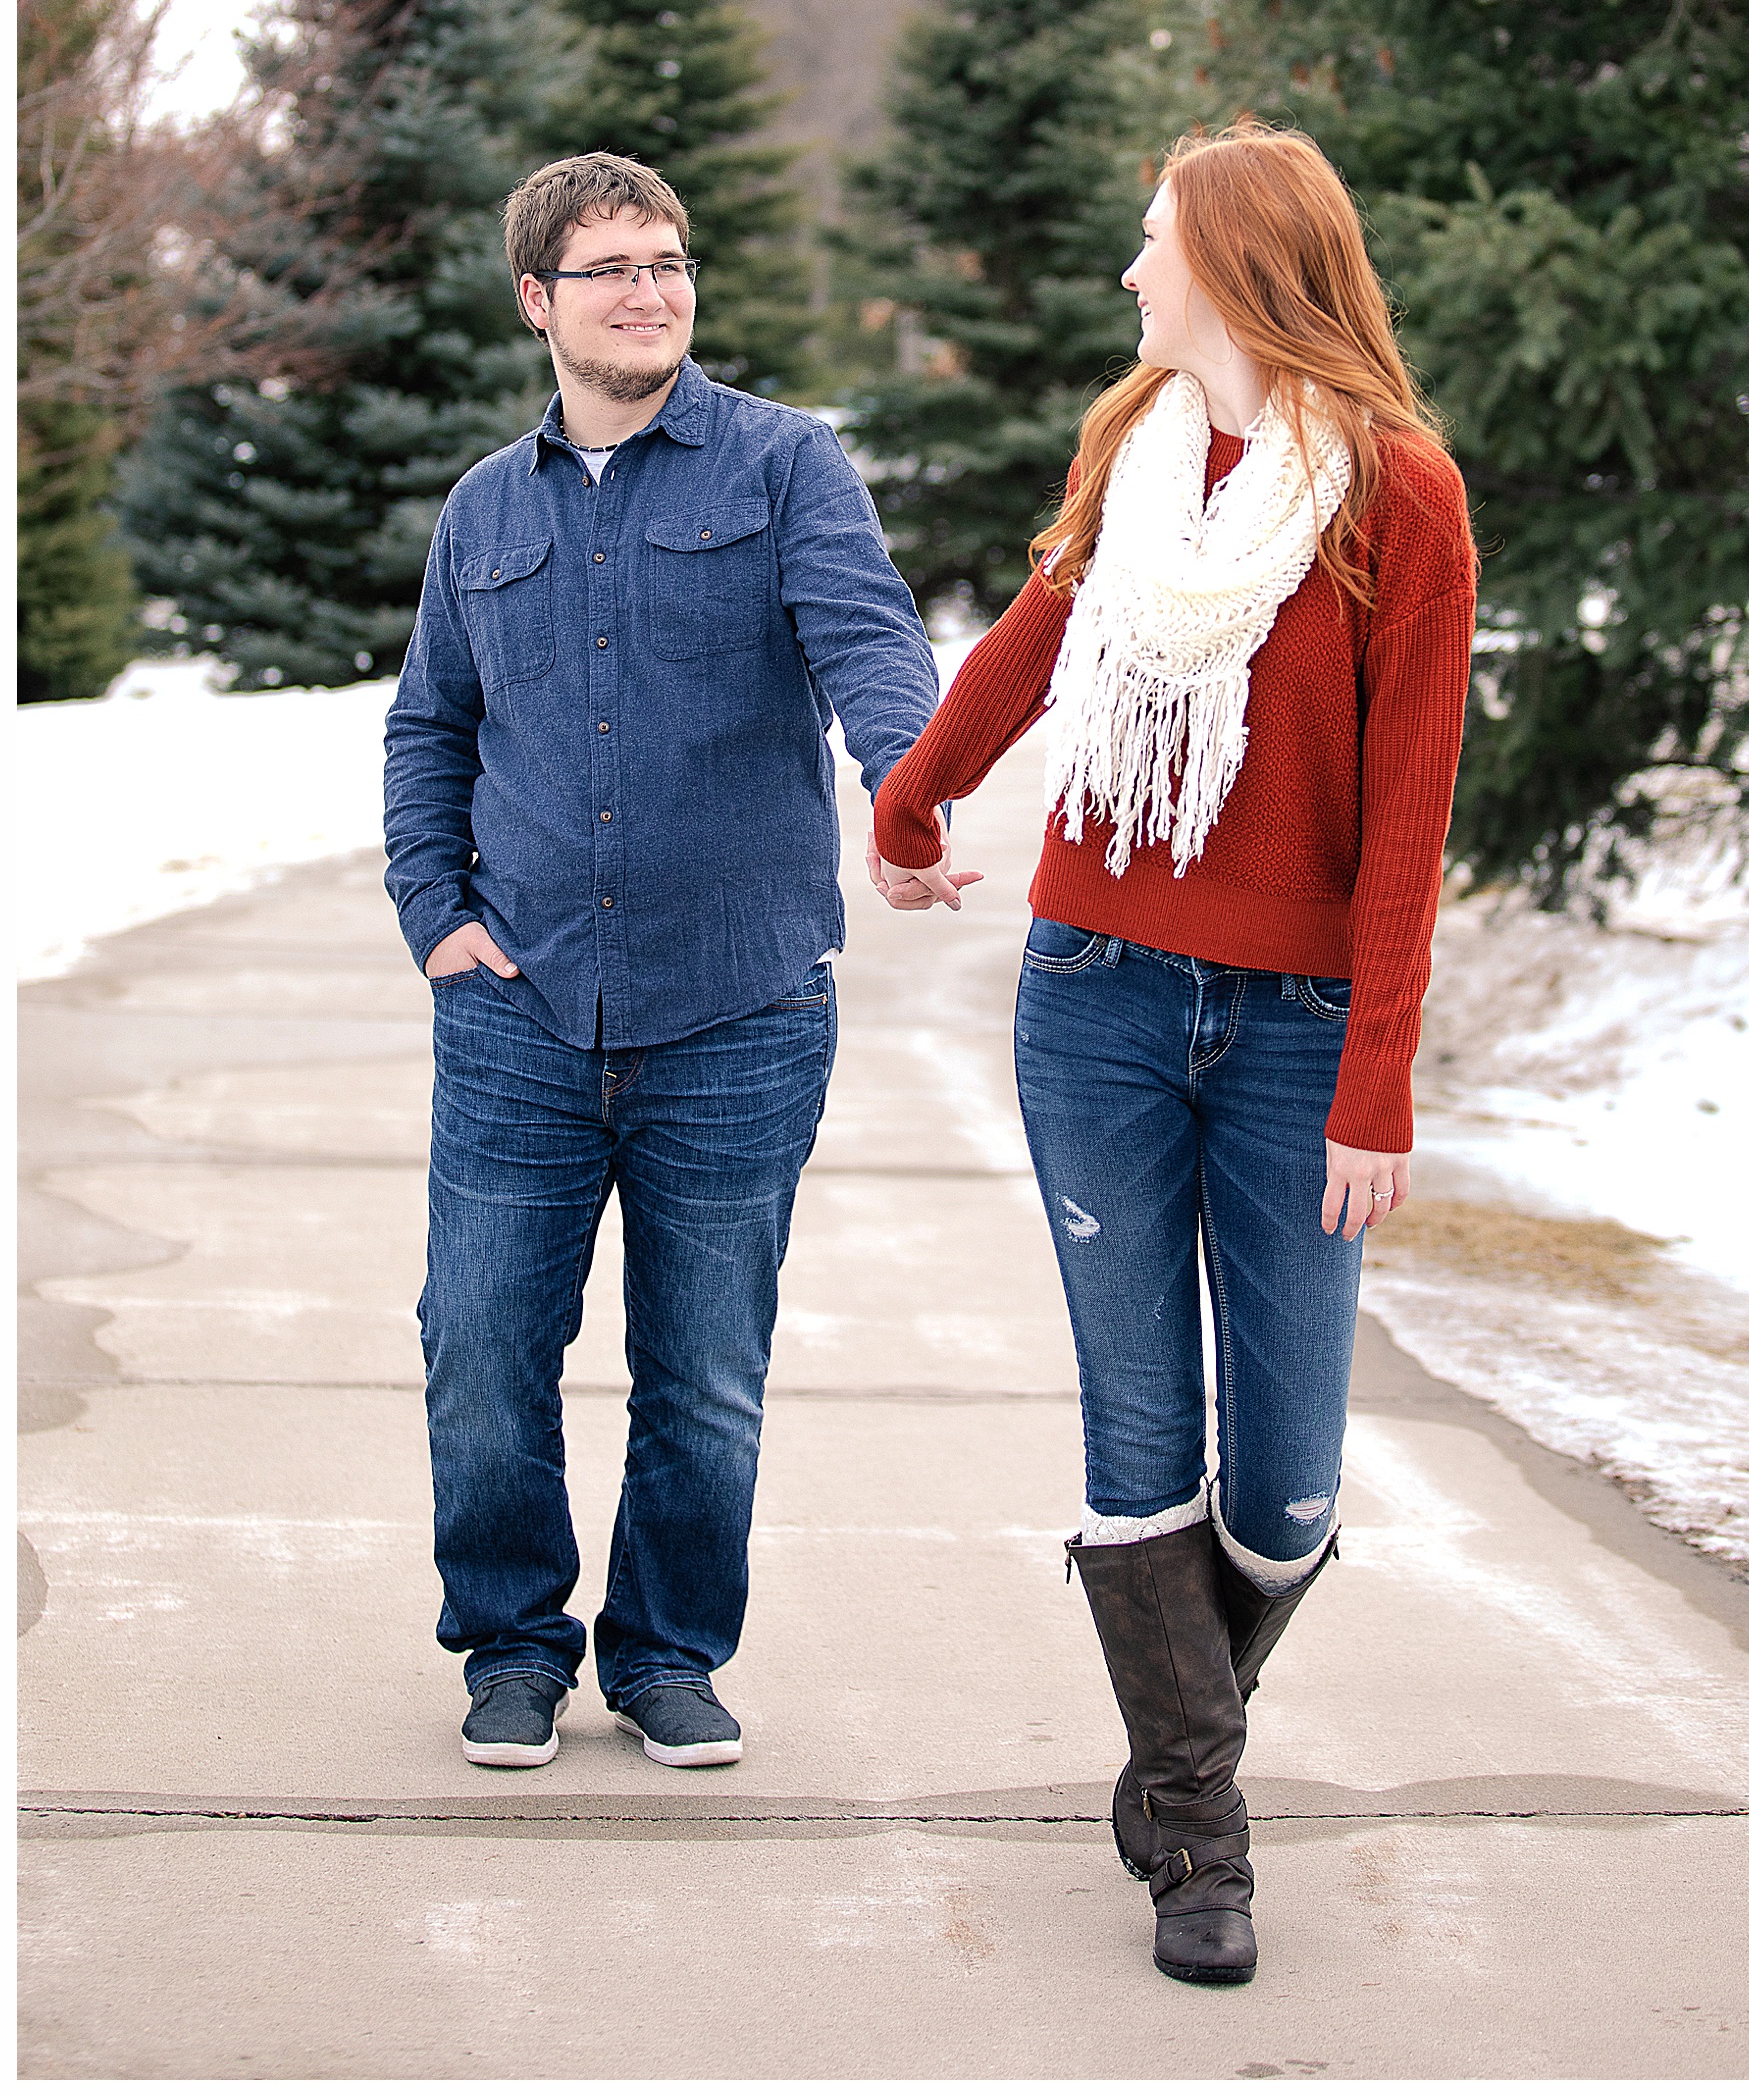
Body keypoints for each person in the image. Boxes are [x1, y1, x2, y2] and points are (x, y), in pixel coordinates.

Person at [868, 123, 1477, 1986]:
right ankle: (1200, 1841)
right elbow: (1038, 643)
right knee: (1139, 1432)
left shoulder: (1399, 495)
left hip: (1296, 1039)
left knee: (1285, 1481)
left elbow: (1406, 817)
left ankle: (1170, 1742)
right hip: (1099, 996)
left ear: (1233, 259)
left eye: (1156, 244)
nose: (1134, 273)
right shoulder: (1132, 455)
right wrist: (909, 804)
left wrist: (1377, 1073)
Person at [383, 149, 940, 1775]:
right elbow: (431, 719)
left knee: (703, 1370)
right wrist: (436, 915)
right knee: (481, 1349)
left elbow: (870, 643)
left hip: (740, 1011)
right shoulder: (488, 505)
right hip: (520, 1011)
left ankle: (670, 1650)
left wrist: (905, 798)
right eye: (612, 265)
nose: (651, 288)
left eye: (670, 260)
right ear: (541, 300)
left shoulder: (786, 468)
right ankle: (510, 1642)